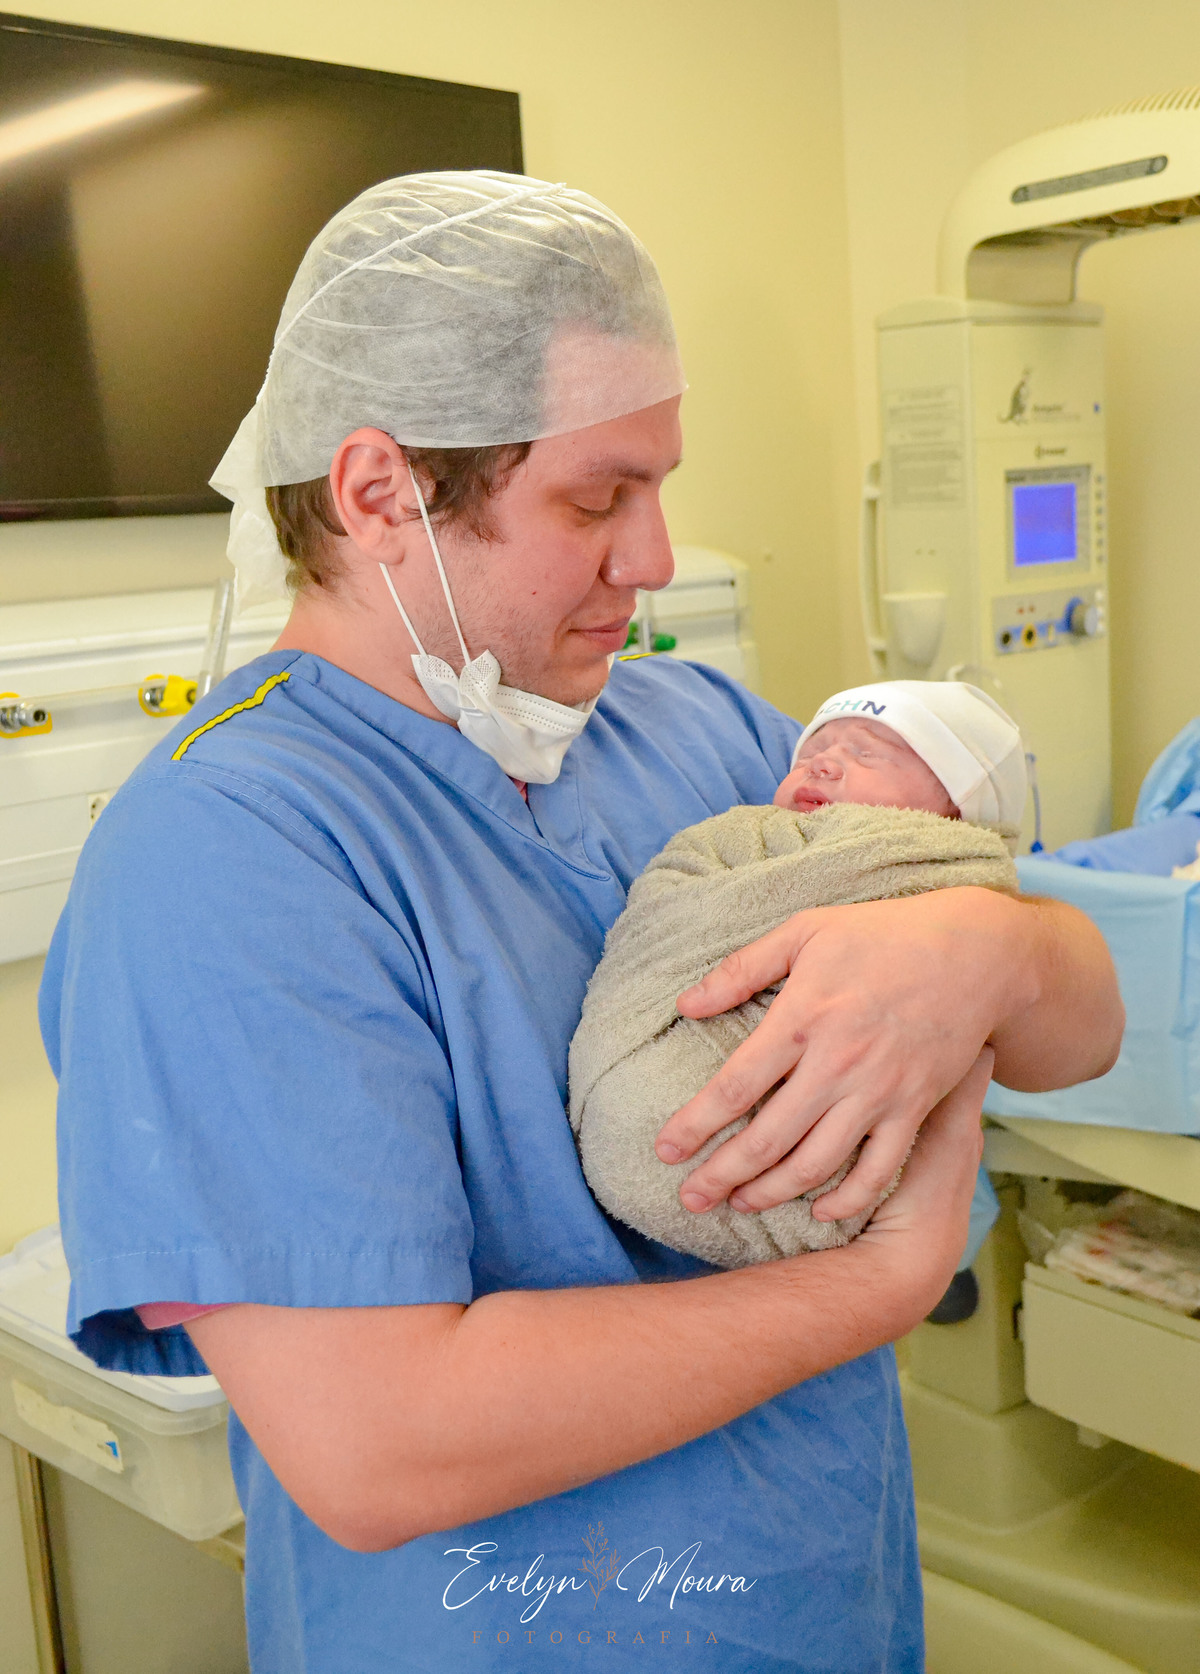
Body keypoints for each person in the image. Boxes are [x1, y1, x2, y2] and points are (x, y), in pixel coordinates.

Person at [40, 173, 1123, 1673]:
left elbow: (1085, 1018)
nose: (657, 557)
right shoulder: (229, 852)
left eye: (662, 485)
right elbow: (379, 1443)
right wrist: (874, 1283)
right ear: (377, 495)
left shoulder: (696, 731)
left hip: (829, 1613)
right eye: (597, 498)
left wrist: (996, 949)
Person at [569, 682, 1026, 1269]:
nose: (826, 763)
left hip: (811, 1154)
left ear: (956, 813)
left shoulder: (942, 867)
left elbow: (1072, 1028)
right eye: (812, 755)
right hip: (649, 1100)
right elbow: (669, 900)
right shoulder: (751, 837)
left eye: (867, 755)